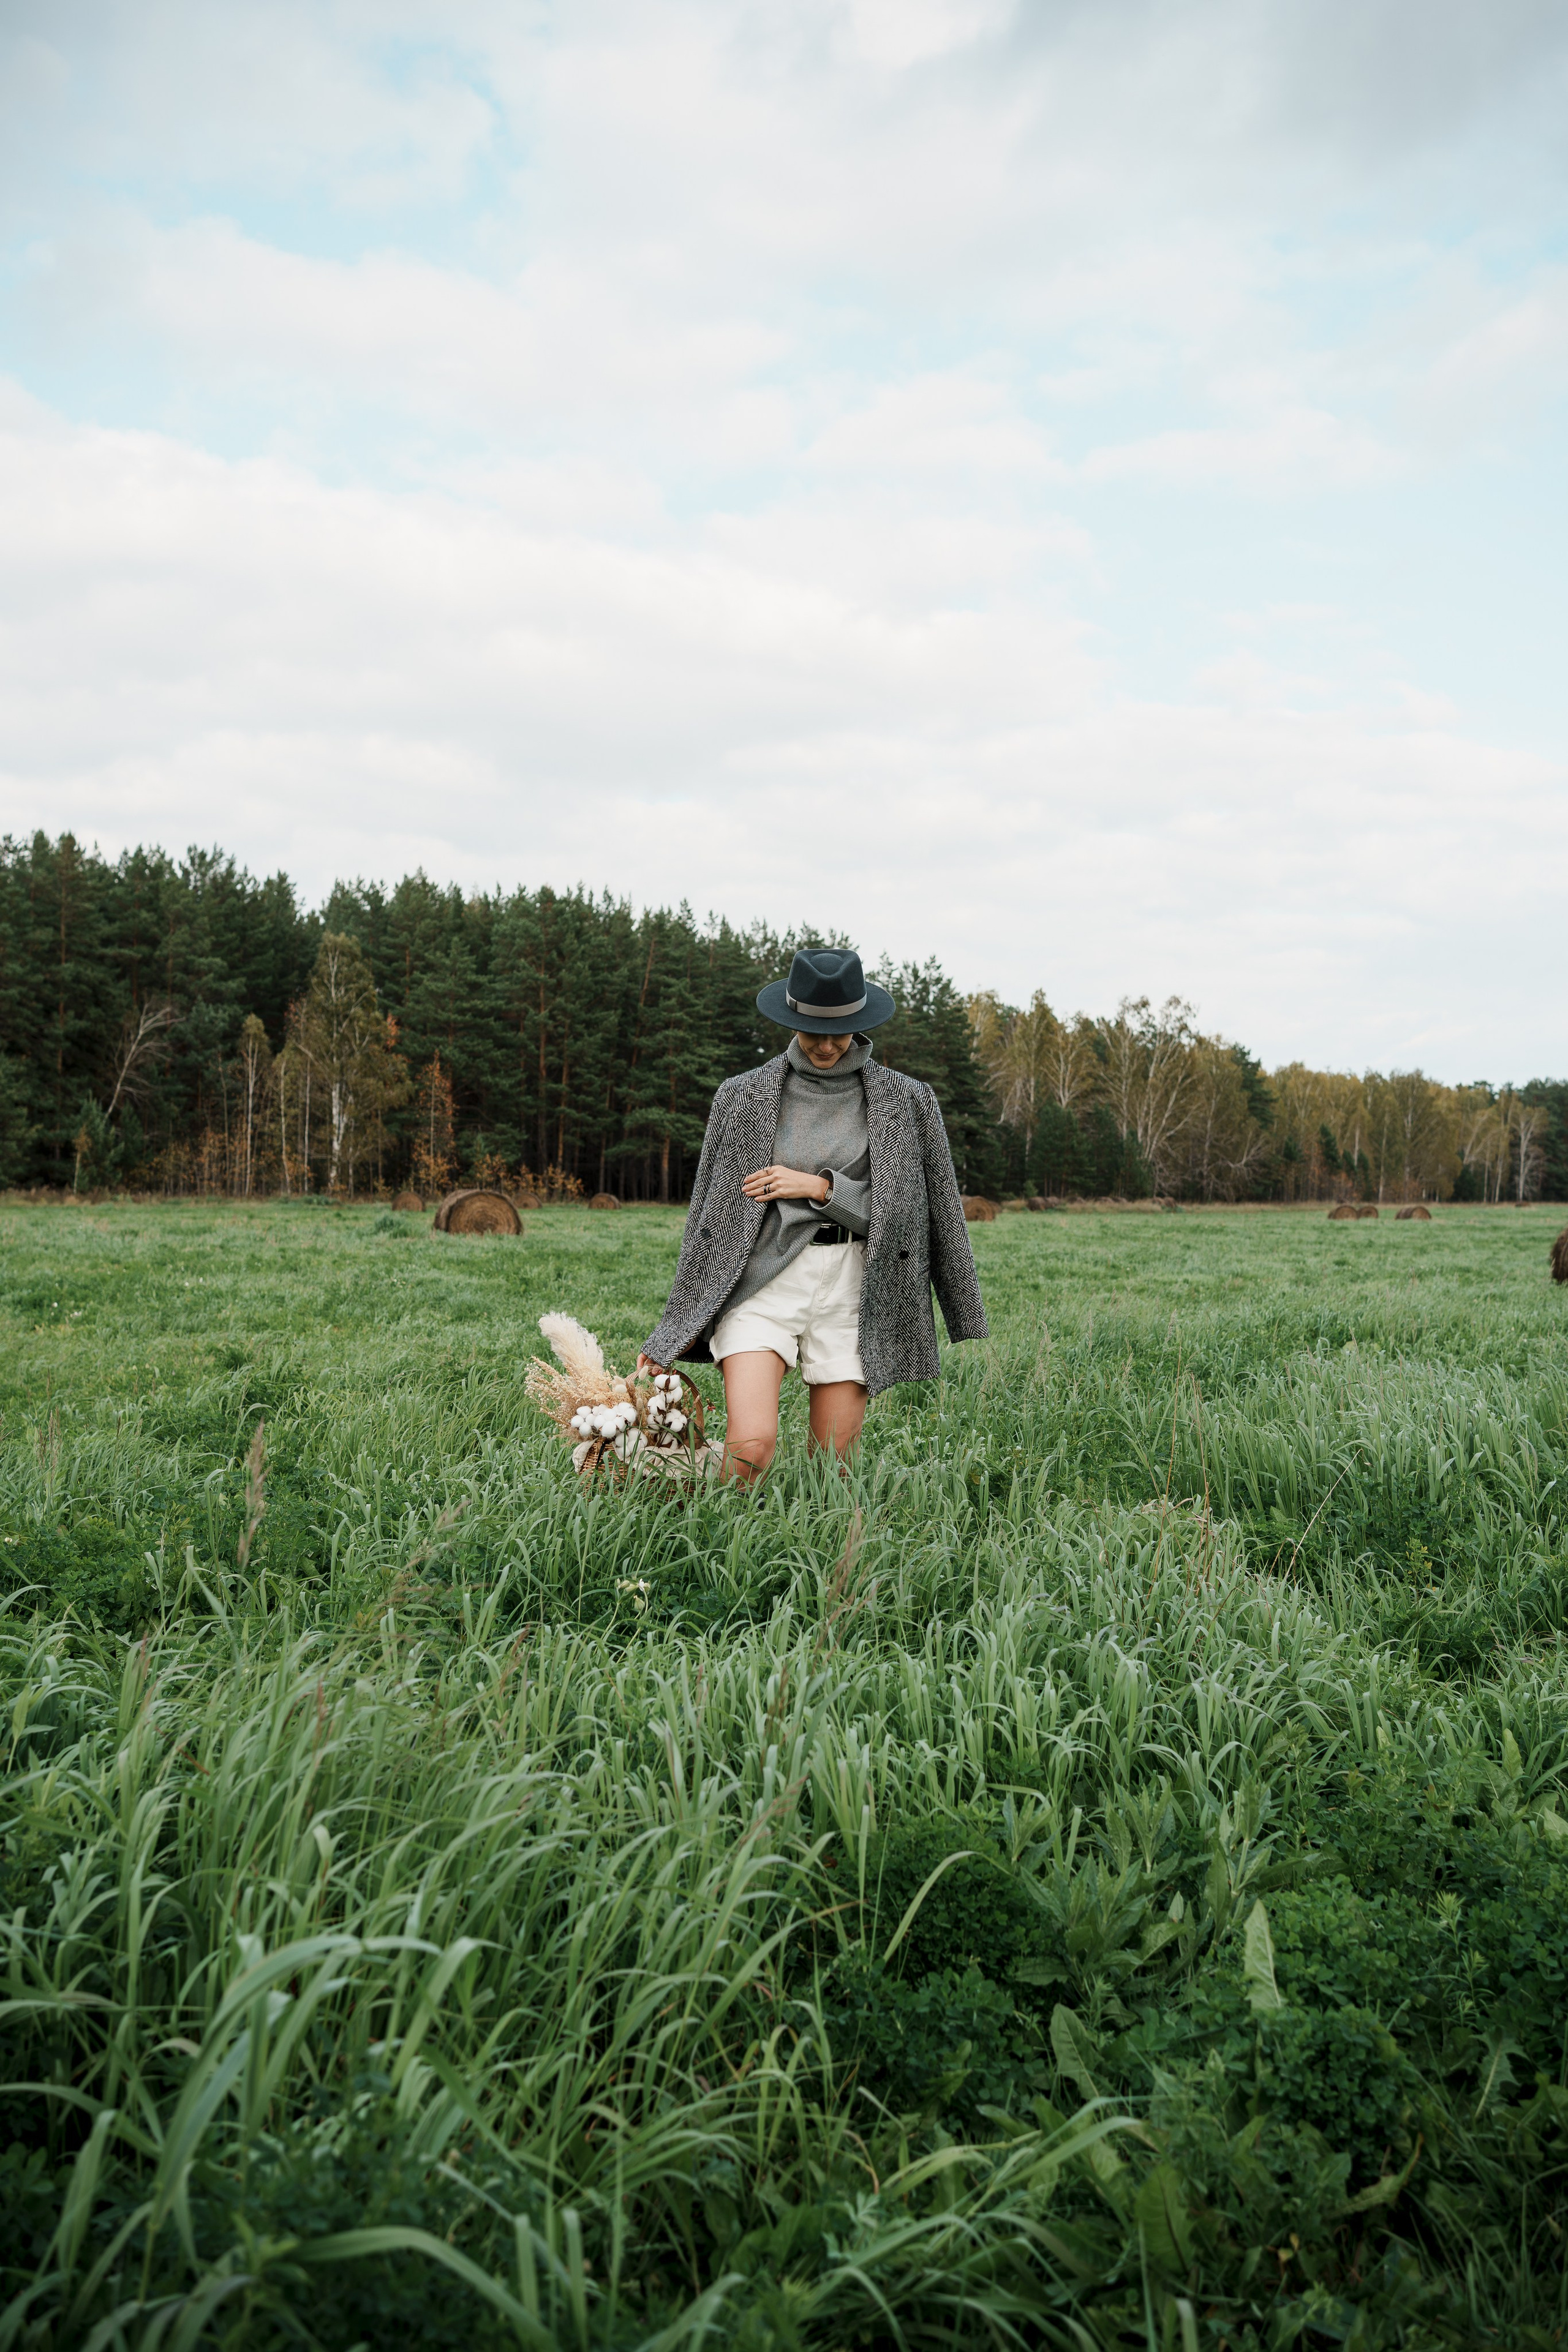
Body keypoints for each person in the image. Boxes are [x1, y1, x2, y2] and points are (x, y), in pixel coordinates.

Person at [638, 946, 989, 1479]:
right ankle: (718, 1554)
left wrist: (819, 1189)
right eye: (812, 1031)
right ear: (790, 1018)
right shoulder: (742, 1096)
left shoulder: (909, 1100)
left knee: (833, 1468)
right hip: (762, 1282)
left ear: (861, 1021)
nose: (826, 1045)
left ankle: (819, 1559)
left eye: (840, 1031)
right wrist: (672, 1328)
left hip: (856, 1289)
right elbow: (707, 1221)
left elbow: (922, 1215)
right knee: (750, 1449)